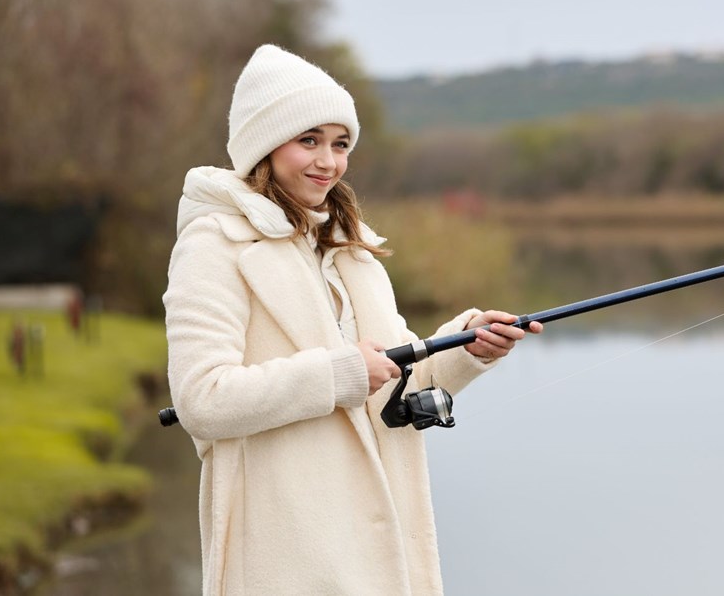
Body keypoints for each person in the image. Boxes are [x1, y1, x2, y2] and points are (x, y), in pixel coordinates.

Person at [163, 44, 542, 595]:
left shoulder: (349, 248)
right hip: (286, 557)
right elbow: (203, 399)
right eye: (308, 140)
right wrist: (338, 374)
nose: (328, 161)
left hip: (380, 560)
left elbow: (390, 379)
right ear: (263, 146)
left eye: (340, 144)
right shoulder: (212, 246)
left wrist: (467, 348)